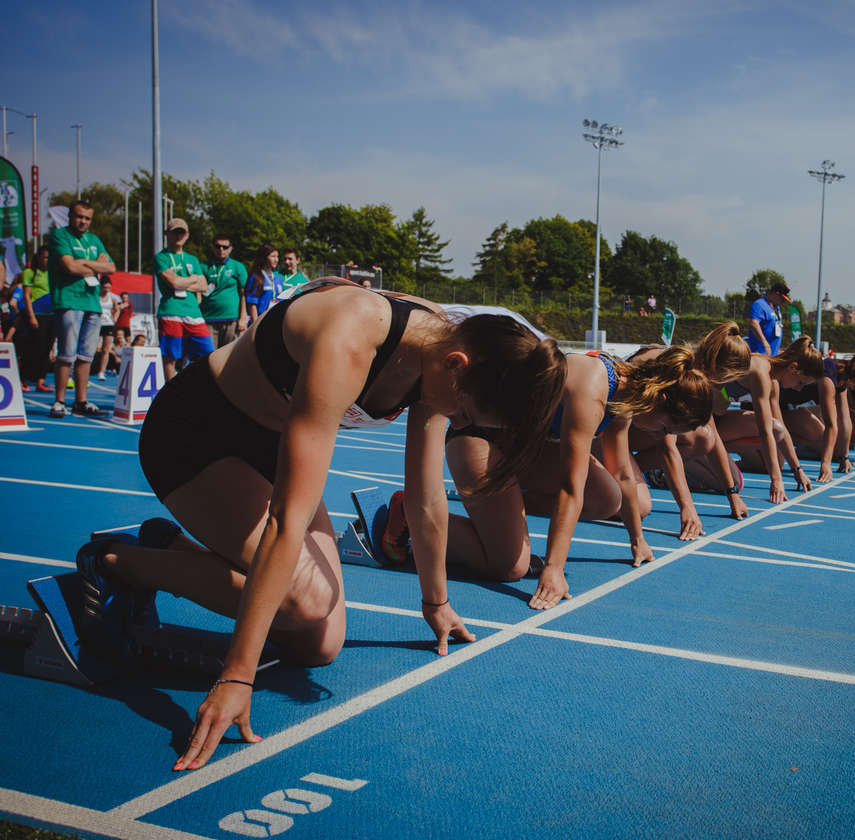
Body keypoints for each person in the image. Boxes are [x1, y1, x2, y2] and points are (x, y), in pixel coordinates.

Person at [75, 277, 566, 770]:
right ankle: (120, 563)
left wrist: (435, 602)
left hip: (270, 446)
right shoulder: (350, 337)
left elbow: (425, 496)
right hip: (196, 437)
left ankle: (170, 546)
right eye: (463, 411)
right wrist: (236, 676)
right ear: (457, 366)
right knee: (304, 608)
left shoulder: (445, 355)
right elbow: (285, 520)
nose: (457, 421)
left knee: (318, 643)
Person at [443, 346, 712, 608]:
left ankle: (503, 516)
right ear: (660, 399)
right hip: (478, 437)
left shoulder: (627, 396)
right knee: (510, 567)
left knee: (607, 497)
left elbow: (623, 474)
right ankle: (409, 516)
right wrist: (554, 569)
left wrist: (637, 539)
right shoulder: (594, 390)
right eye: (664, 427)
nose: (658, 437)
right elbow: (570, 486)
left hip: (517, 448)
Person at [623, 323, 754, 533]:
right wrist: (687, 508)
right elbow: (667, 445)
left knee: (704, 437)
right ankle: (614, 474)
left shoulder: (696, 376)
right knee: (639, 507)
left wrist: (732, 493)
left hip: (632, 428)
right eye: (729, 380)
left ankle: (631, 470)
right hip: (610, 430)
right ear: (717, 368)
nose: (728, 387)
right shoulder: (676, 372)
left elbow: (714, 437)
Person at [716, 337, 825, 492]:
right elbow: (765, 429)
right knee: (733, 483)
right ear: (793, 368)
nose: (799, 389)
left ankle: (716, 452)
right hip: (701, 422)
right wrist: (776, 480)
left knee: (778, 432)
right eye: (801, 383)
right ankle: (706, 453)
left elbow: (782, 431)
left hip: (717, 421)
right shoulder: (761, 373)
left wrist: (797, 470)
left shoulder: (773, 381)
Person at [48, 200, 115, 418]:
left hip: (91, 303)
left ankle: (81, 401)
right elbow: (69, 265)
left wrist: (83, 263)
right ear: (70, 216)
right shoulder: (60, 236)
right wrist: (95, 263)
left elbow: (111, 268)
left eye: (87, 218)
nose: (83, 222)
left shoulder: (94, 239)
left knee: (86, 356)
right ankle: (59, 401)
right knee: (66, 354)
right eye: (79, 217)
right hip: (68, 300)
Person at [154, 218, 212, 381]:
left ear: (187, 235)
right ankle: (170, 393)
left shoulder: (192, 259)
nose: (179, 235)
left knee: (207, 353)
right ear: (167, 234)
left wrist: (182, 282)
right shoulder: (161, 257)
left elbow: (203, 286)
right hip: (171, 311)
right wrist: (192, 279)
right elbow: (173, 282)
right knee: (171, 357)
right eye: (175, 232)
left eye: (182, 232)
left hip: (193, 312)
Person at [15, 247, 54, 392]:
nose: (47, 260)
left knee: (46, 349)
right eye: (44, 257)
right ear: (38, 257)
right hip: (36, 314)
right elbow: (26, 296)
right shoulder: (29, 272)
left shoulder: (52, 273)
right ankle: (22, 379)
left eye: (49, 258)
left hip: (51, 314)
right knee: (32, 348)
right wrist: (31, 316)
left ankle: (40, 381)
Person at [200, 234, 250, 348]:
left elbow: (244, 293)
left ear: (231, 248)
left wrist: (242, 318)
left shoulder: (237, 266)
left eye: (225, 247)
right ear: (213, 247)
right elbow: (198, 293)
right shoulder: (204, 267)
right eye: (218, 246)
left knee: (229, 355)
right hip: (208, 318)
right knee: (209, 355)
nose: (221, 249)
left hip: (231, 319)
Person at [747, 282, 790, 355]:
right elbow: (754, 323)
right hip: (760, 354)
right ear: (776, 294)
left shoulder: (776, 307)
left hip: (773, 355)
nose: (783, 301)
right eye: (782, 299)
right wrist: (764, 342)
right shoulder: (760, 304)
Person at [244, 245, 282, 324]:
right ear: (264, 257)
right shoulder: (256, 277)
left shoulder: (278, 278)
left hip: (276, 321)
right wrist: (255, 325)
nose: (276, 260)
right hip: (261, 322)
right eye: (273, 256)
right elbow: (252, 304)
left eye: (277, 256)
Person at [93, 278, 122, 379]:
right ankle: (90, 369)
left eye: (109, 287)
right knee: (93, 348)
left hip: (108, 324)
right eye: (105, 287)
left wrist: (115, 318)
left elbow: (117, 309)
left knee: (106, 349)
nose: (107, 289)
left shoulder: (112, 298)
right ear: (101, 287)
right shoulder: (96, 296)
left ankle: (102, 371)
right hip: (96, 323)